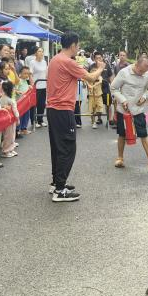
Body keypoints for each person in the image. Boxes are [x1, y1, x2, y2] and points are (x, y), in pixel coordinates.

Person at [46, 31, 105, 202]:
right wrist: (101, 68)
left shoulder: (55, 59)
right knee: (67, 148)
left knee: (58, 148)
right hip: (63, 110)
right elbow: (91, 77)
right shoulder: (68, 61)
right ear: (72, 45)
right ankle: (60, 190)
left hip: (53, 109)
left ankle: (56, 183)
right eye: (77, 45)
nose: (78, 48)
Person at [111, 56, 148, 172]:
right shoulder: (124, 73)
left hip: (138, 109)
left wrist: (144, 97)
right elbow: (113, 88)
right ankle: (120, 158)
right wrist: (123, 100)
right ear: (136, 64)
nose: (141, 73)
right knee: (122, 134)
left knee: (143, 134)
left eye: (144, 71)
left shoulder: (146, 74)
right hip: (124, 110)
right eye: (140, 71)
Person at [89, 51, 113, 126]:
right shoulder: (91, 67)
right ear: (94, 59)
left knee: (108, 104)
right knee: (96, 105)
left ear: (102, 58)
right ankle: (99, 118)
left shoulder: (107, 66)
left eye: (100, 58)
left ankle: (110, 119)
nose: (98, 59)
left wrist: (113, 87)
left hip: (105, 88)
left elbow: (111, 77)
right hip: (95, 88)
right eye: (97, 58)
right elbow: (88, 77)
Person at [28, 47, 48, 128]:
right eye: (39, 51)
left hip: (43, 86)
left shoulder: (44, 62)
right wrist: (32, 84)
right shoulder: (32, 62)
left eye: (42, 51)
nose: (41, 53)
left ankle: (40, 120)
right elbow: (30, 74)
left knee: (42, 104)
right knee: (34, 104)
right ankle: (33, 121)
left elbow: (46, 73)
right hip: (36, 86)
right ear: (36, 53)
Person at [0, 81, 19, 158]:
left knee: (9, 135)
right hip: (10, 119)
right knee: (9, 135)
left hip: (5, 119)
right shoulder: (10, 100)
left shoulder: (2, 98)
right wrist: (17, 118)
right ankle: (6, 150)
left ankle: (10, 149)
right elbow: (15, 110)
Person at [16, 66, 32, 135]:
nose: (26, 75)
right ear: (20, 73)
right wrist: (18, 92)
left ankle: (24, 128)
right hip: (20, 102)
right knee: (20, 115)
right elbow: (15, 89)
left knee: (26, 115)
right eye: (25, 73)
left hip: (26, 102)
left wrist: (29, 87)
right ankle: (18, 129)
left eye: (28, 74)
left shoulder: (26, 81)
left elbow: (26, 88)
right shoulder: (19, 81)